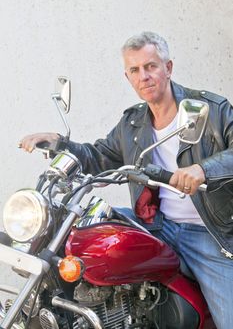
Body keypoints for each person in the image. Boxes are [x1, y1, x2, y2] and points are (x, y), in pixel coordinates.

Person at [19, 31, 233, 329]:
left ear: (168, 68)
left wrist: (203, 170)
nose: (144, 76)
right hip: (156, 223)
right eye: (135, 70)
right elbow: (98, 156)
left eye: (151, 66)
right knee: (82, 236)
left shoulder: (210, 111)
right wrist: (60, 143)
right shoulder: (133, 123)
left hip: (206, 231)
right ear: (127, 77)